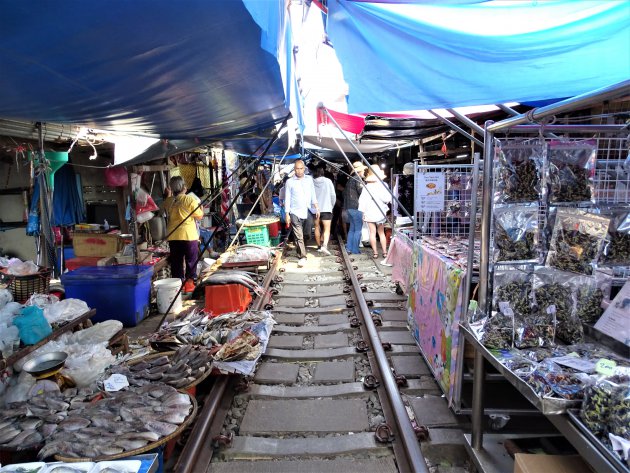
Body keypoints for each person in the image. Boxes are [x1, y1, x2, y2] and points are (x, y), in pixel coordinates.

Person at [162, 176, 204, 293]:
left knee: (176, 262)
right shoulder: (190, 200)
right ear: (183, 187)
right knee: (191, 261)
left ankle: (178, 287)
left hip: (173, 236)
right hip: (188, 236)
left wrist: (168, 195)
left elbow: (165, 207)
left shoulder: (169, 201)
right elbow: (199, 216)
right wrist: (201, 208)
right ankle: (189, 286)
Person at [284, 159, 319, 267]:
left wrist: (316, 206)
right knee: (299, 236)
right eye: (297, 169)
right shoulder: (289, 182)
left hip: (307, 210)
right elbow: (287, 198)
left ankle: (300, 248)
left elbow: (313, 193)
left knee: (307, 234)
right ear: (294, 169)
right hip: (294, 212)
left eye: (301, 169)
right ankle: (303, 256)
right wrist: (287, 214)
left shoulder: (309, 179)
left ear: (304, 169)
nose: (299, 171)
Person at [358, 164, 390, 260]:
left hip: (369, 211)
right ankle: (384, 252)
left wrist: (363, 212)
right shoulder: (384, 185)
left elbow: (362, 200)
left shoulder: (366, 186)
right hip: (380, 211)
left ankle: (375, 253)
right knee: (381, 232)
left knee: (372, 233)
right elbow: (387, 199)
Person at [312, 163, 336, 255]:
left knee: (317, 227)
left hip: (315, 209)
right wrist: (331, 206)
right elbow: (333, 195)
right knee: (327, 229)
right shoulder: (328, 181)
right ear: (323, 172)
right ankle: (324, 246)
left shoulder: (311, 182)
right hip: (326, 208)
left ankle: (318, 246)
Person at [343, 161, 366, 254]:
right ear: (359, 170)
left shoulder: (350, 180)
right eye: (363, 170)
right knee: (358, 229)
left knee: (352, 228)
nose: (364, 172)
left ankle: (349, 247)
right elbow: (362, 192)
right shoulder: (358, 179)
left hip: (349, 207)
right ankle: (355, 249)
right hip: (356, 207)